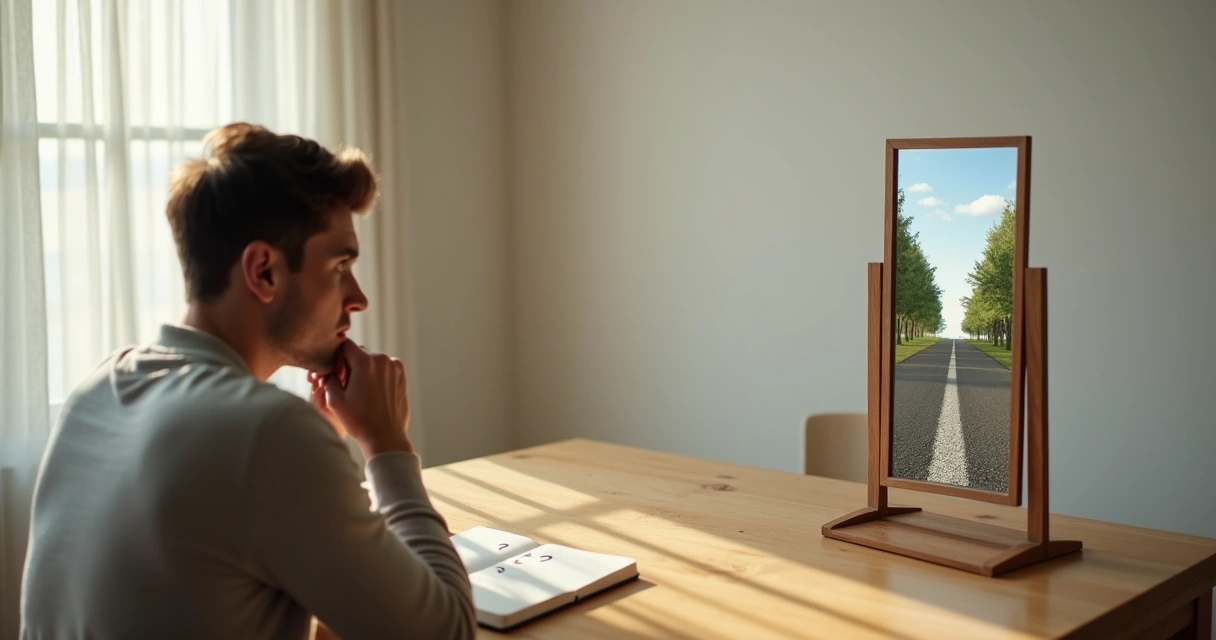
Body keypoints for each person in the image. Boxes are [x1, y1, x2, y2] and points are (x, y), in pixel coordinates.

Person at [19, 123, 476, 640]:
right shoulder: (271, 433)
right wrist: (388, 446)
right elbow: (447, 633)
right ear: (263, 271)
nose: (358, 297)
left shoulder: (95, 390)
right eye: (340, 264)